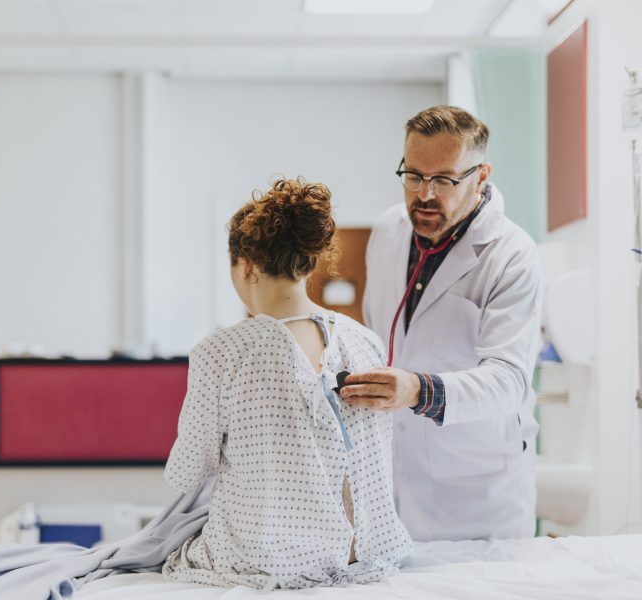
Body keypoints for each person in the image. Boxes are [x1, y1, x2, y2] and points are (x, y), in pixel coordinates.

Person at [161, 178, 412, 589]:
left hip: (273, 561)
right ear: (308, 264)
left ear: (245, 266)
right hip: (370, 553)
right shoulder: (364, 341)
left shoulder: (222, 351)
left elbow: (188, 472)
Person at [340, 106, 541, 541]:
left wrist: (417, 390)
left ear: (481, 176)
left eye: (444, 179)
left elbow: (509, 382)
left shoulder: (512, 255)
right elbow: (378, 338)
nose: (425, 194)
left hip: (476, 495)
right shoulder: (389, 231)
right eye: (413, 175)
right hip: (393, 483)